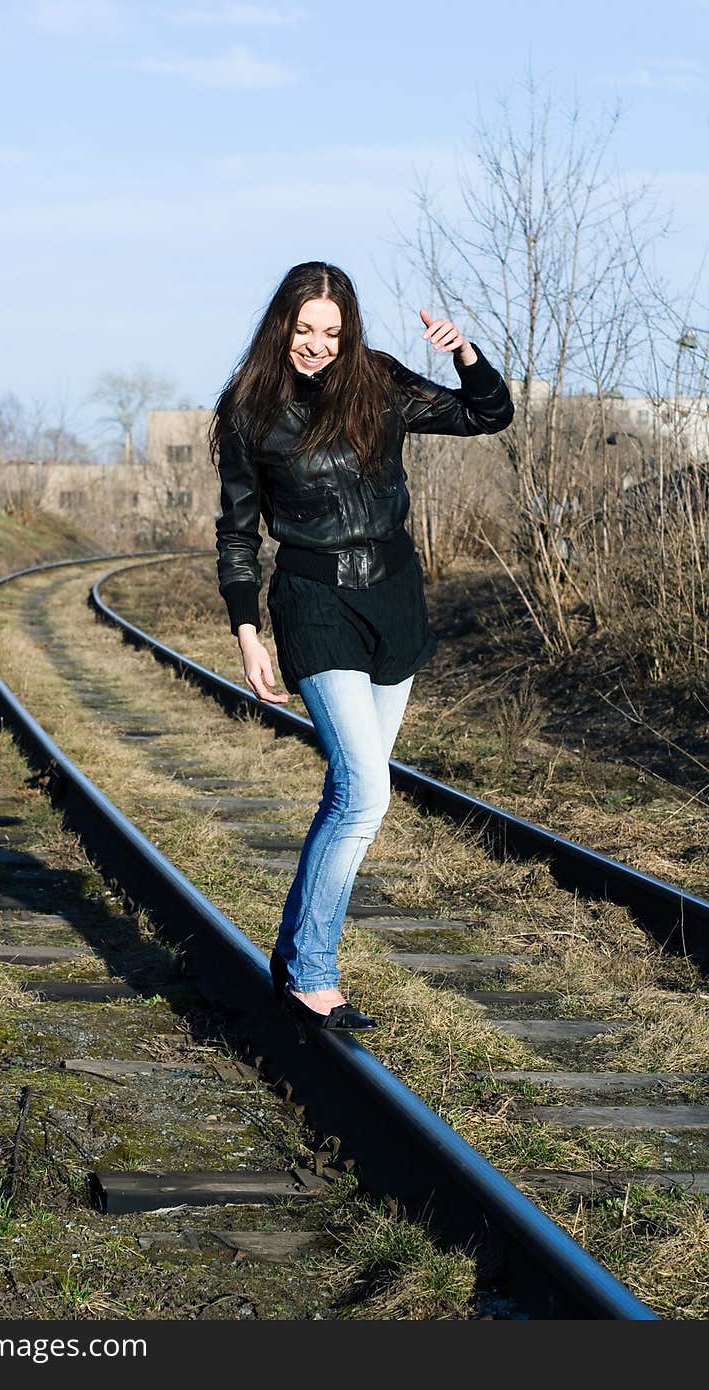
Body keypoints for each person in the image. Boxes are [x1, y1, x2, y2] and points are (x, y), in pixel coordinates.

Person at [211, 261, 514, 1035]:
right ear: (284, 325)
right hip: (313, 602)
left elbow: (486, 417)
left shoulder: (377, 383)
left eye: (332, 333)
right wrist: (247, 633)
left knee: (351, 796)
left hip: (394, 599)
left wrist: (467, 357)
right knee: (366, 792)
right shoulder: (249, 408)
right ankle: (312, 974)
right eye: (305, 330)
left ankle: (292, 953)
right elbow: (238, 534)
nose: (317, 346)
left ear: (350, 334)